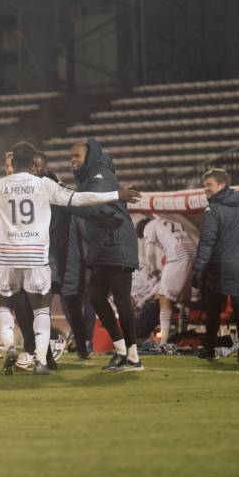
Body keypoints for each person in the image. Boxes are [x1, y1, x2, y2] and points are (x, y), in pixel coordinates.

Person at [0, 141, 137, 375]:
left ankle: (10, 345)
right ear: (33, 164)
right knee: (41, 308)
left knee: (2, 303)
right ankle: (41, 360)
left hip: (7, 256)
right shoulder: (44, 185)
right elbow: (79, 199)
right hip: (36, 256)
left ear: (12, 163)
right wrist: (116, 194)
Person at [68, 138, 142, 372]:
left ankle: (133, 356)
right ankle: (121, 351)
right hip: (103, 245)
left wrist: (64, 199)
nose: (73, 161)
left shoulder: (100, 174)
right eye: (71, 157)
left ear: (89, 156)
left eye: (77, 156)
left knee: (121, 299)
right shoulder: (90, 178)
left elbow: (89, 206)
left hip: (117, 243)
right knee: (96, 297)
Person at [192, 168, 239, 363]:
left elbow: (206, 244)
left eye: (209, 185)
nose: (205, 189)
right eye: (204, 185)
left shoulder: (212, 210)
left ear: (222, 185)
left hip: (219, 268)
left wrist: (198, 271)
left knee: (213, 307)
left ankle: (211, 349)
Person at [136, 216, 196, 344]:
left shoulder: (149, 226)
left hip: (177, 255)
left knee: (164, 297)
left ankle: (164, 341)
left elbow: (150, 252)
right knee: (184, 299)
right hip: (193, 253)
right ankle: (182, 334)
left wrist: (152, 268)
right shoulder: (171, 222)